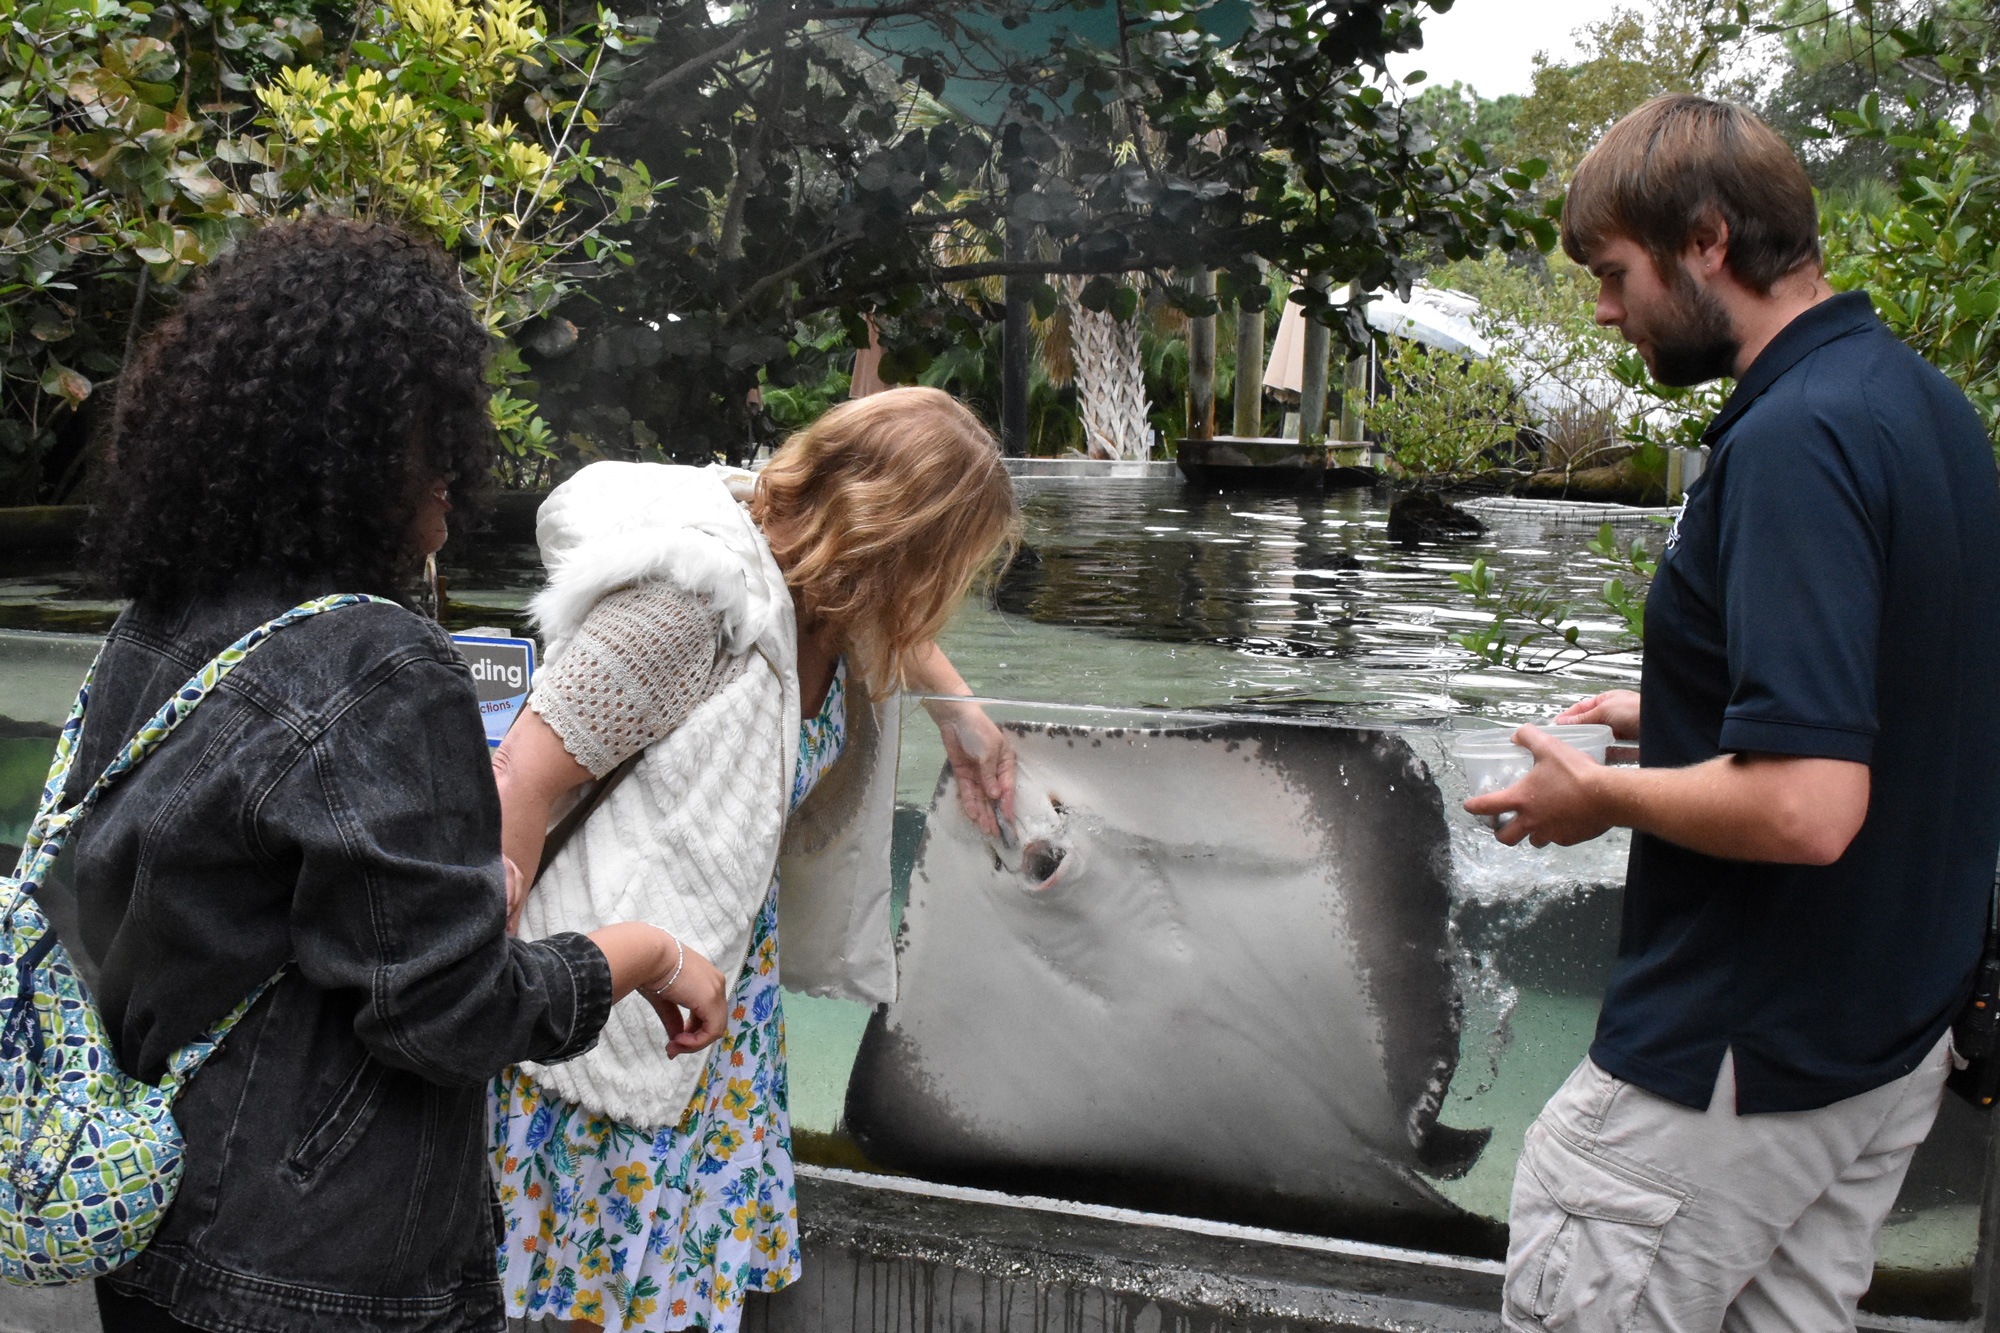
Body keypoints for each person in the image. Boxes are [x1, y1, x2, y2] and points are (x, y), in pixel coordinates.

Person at [63, 218, 726, 1333]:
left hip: (153, 1211)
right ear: (362, 446)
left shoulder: (160, 623)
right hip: (319, 1263)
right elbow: (447, 1014)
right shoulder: (378, 664)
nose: (457, 473)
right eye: (434, 432)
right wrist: (639, 953)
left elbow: (157, 887)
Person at [1465, 94, 2000, 1332]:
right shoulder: (1923, 409)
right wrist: (1683, 711)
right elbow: (1905, 696)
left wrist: (1591, 796)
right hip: (1879, 1046)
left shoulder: (1793, 440)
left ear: (1705, 238)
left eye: (1611, 273)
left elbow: (1809, 806)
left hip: (1732, 1061)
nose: (1604, 310)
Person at [488, 386, 1019, 1333]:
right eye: (949, 563)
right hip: (609, 987)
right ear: (909, 547)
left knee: (668, 1294)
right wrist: (489, 986)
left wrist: (962, 715)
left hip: (718, 990)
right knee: (594, 1298)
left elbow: (887, 623)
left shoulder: (826, 594)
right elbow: (522, 775)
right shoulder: (696, 603)